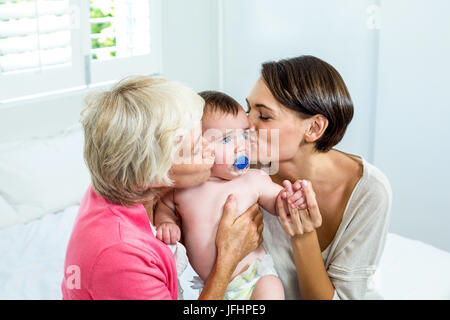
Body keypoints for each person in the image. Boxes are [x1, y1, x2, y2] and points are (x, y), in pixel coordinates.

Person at [61, 76, 264, 300]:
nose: (211, 150)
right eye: (197, 149)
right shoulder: (122, 255)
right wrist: (226, 261)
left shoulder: (121, 177)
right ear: (154, 172)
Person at [246, 55, 392, 300]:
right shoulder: (243, 169)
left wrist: (303, 236)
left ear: (314, 128)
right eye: (247, 109)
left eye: (264, 116)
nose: (245, 123)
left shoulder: (368, 191)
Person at [154, 91, 305, 300]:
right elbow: (164, 207)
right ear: (198, 145)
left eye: (244, 135)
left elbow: (276, 200)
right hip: (213, 287)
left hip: (255, 278)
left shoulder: (253, 179)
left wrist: (289, 199)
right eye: (226, 139)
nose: (241, 145)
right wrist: (166, 222)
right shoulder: (184, 189)